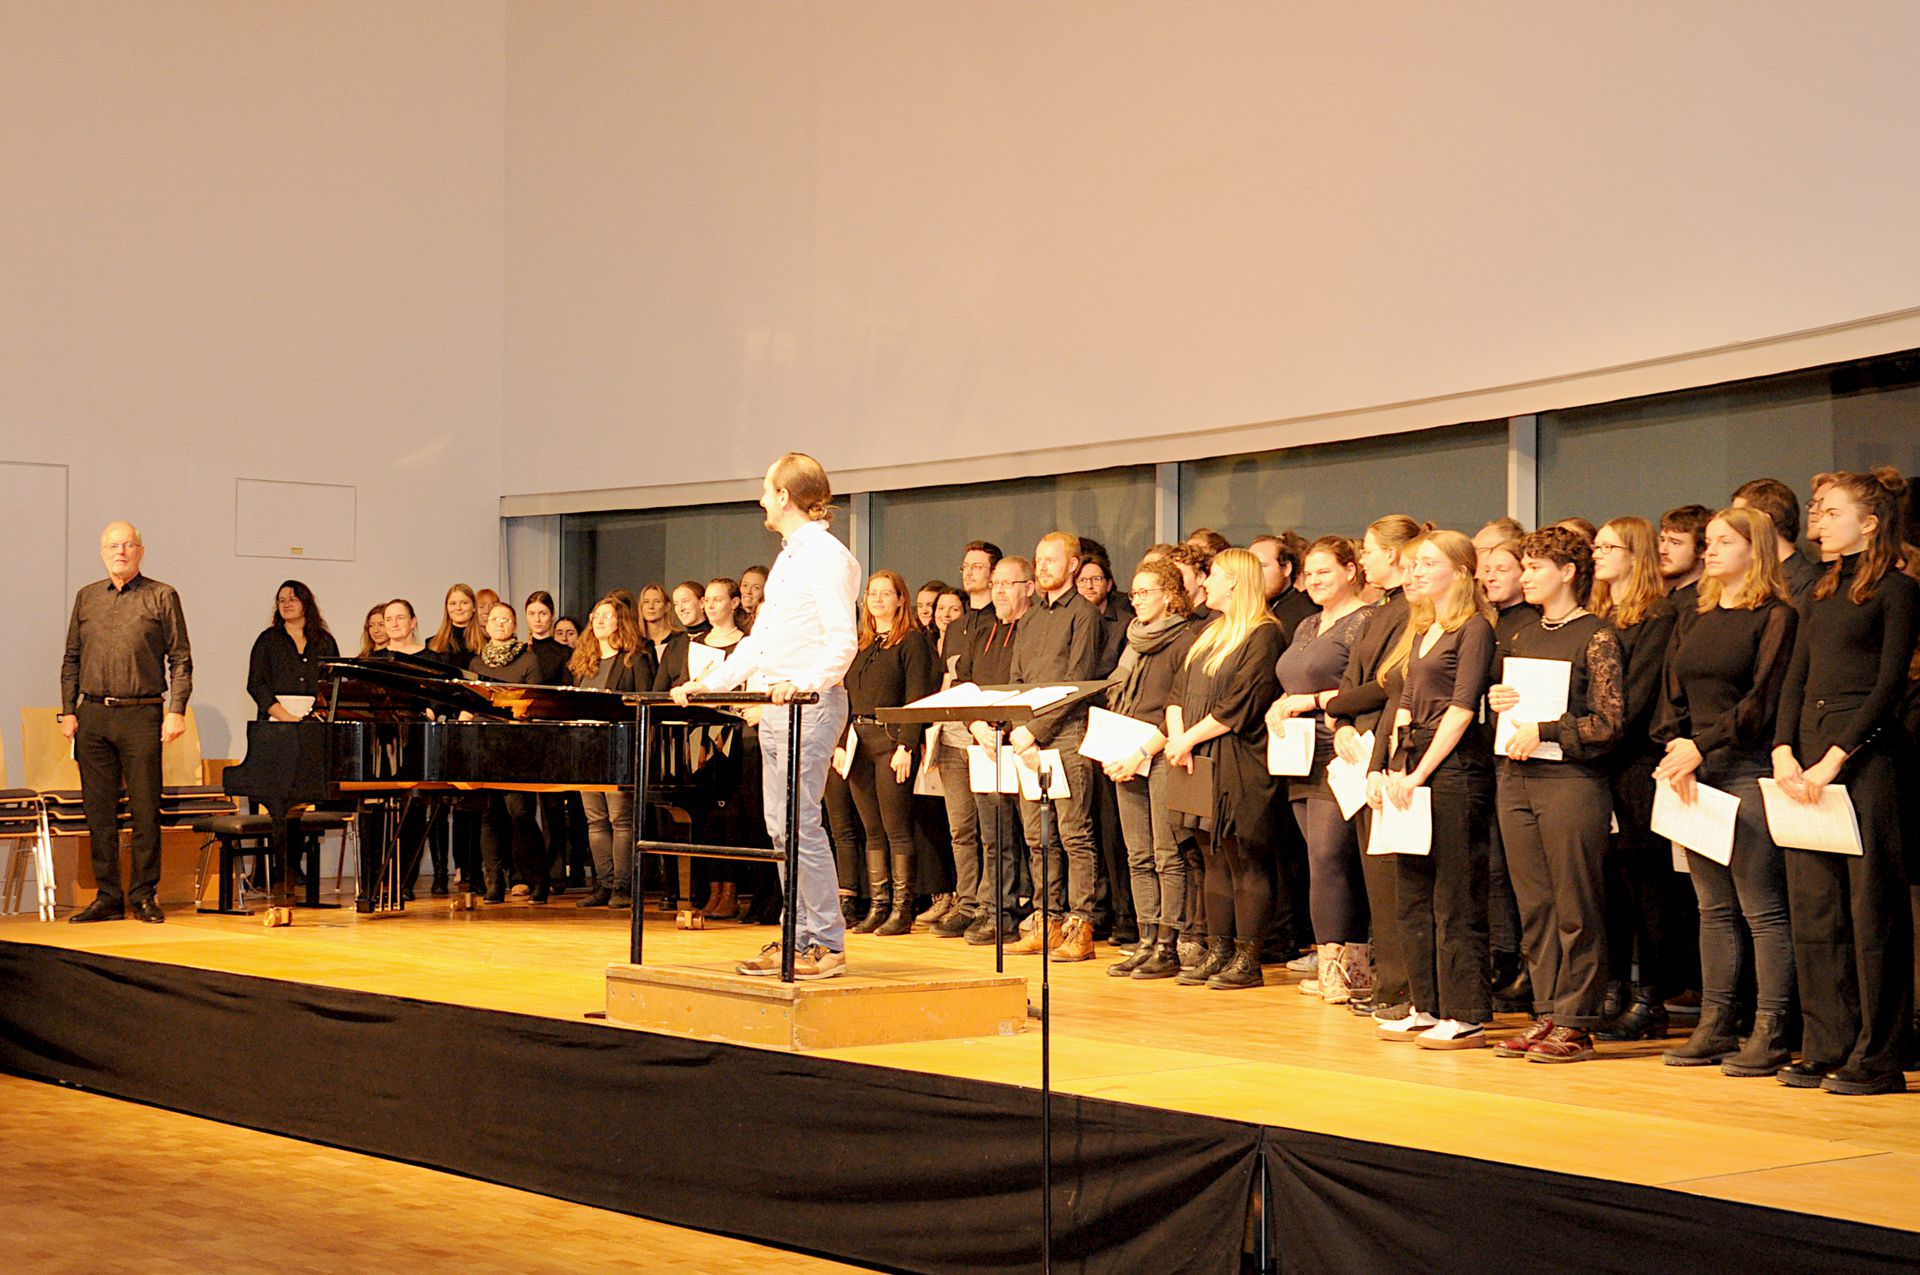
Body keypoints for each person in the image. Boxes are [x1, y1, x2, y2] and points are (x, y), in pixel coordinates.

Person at [674, 453, 862, 980]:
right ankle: (796, 938)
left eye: (766, 490)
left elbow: (842, 641)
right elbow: (762, 646)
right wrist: (707, 684)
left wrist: (801, 685)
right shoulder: (790, 559)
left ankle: (824, 942)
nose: (761, 500)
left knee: (799, 824)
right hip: (776, 707)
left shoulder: (825, 556)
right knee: (780, 827)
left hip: (809, 706)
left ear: (785, 496)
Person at [1771, 468, 1917, 1094]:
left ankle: (1880, 1053)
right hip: (1805, 761)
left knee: (1870, 909)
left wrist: (1836, 755)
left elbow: (1890, 687)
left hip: (1866, 760)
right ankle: (1825, 1039)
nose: (1818, 520)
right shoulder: (1819, 594)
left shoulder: (1898, 591)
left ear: (1871, 522)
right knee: (1815, 909)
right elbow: (1794, 679)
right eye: (1816, 510)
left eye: (1831, 511)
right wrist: (1782, 749)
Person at [1652, 507, 1800, 1074]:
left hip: (1745, 767)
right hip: (1695, 771)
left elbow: (1761, 702)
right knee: (1711, 907)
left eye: (1721, 542)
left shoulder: (1776, 615)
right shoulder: (1696, 613)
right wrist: (1676, 745)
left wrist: (1701, 746)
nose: (1708, 551)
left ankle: (1771, 1028)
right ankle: (1715, 1025)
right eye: (1707, 542)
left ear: (1752, 550)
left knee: (1760, 907)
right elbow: (1673, 691)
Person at [1485, 527, 1625, 1062]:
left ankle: (1577, 1019)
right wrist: (1501, 698)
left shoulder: (1596, 634)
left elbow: (1608, 722)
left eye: (1536, 567)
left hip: (1570, 782)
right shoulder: (1523, 634)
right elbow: (1512, 701)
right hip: (1517, 776)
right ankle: (1546, 1013)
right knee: (1536, 905)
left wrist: (1544, 729)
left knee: (1575, 902)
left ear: (1567, 573)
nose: (1525, 576)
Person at [1367, 531, 1499, 1048]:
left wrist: (1421, 772)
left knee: (1455, 897)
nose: (1414, 572)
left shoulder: (1473, 629)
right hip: (1413, 765)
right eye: (1413, 564)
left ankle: (1465, 1012)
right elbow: (1405, 704)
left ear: (1461, 572)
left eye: (1427, 564)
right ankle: (1426, 1006)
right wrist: (1390, 767)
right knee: (1413, 893)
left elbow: (1463, 708)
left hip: (1454, 771)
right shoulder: (1421, 629)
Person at [1165, 548, 1285, 989]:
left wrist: (1187, 739)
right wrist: (1180, 739)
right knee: (1211, 857)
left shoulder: (1264, 634)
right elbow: (1177, 691)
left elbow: (1241, 703)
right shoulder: (1209, 632)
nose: (1205, 582)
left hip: (1236, 759)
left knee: (1242, 857)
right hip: (1194, 756)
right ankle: (1220, 948)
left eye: (1212, 575)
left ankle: (1249, 956)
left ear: (1234, 582)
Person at [1591, 516, 1691, 1039]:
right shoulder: (1599, 616)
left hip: (1635, 763)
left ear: (1637, 555)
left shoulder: (1659, 615)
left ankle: (1651, 995)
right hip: (1596, 762)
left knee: (1645, 883)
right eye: (1596, 546)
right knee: (1607, 882)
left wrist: (1585, 736)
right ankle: (1613, 986)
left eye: (1610, 546)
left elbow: (1634, 699)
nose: (1598, 554)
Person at [61, 521, 192, 924]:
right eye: (112, 546)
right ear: (102, 552)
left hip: (142, 713)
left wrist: (177, 710)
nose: (120, 551)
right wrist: (68, 710)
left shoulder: (162, 595)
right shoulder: (86, 597)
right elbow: (71, 658)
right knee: (98, 812)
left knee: (145, 809)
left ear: (141, 550)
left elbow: (181, 659)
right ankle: (107, 896)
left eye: (128, 545)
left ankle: (144, 895)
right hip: (93, 715)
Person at [1269, 536, 1375, 1004]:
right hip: (1299, 753)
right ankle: (1331, 957)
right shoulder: (1308, 623)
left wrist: (1308, 702)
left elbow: (1363, 688)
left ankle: (1349, 963)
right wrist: (1280, 706)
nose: (1314, 581)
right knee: (1317, 859)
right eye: (1309, 574)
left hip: (1341, 748)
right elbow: (1293, 679)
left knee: (1333, 857)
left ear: (1352, 570)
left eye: (1324, 572)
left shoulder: (1365, 621)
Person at [1326, 515, 1423, 1020]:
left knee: (1392, 879)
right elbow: (1351, 675)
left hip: (1385, 744)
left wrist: (1340, 706)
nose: (1362, 559)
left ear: (1396, 553)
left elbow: (1390, 682)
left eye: (1368, 550)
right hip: (1357, 743)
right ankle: (1389, 980)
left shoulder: (1413, 611)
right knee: (1374, 877)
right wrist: (1340, 721)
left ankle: (1402, 986)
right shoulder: (1378, 609)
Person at [1004, 532, 1105, 962]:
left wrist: (1036, 731)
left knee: (1074, 833)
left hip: (1064, 734)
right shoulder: (1029, 619)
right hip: (1027, 736)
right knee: (1036, 835)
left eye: (1051, 560)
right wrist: (1017, 729)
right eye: (1039, 559)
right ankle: (1047, 918)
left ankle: (1080, 924)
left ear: (1073, 565)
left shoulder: (1083, 615)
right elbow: (1015, 679)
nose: (1042, 566)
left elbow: (1078, 681)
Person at [1102, 558, 1200, 980]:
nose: (1137, 600)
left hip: (1160, 752)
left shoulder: (1186, 638)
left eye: (1146, 593)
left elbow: (1178, 705)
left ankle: (1169, 943)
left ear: (1169, 596)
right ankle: (1145, 939)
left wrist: (1143, 751)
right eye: (1135, 593)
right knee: (1137, 855)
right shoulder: (1133, 639)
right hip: (1127, 752)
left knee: (1166, 854)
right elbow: (1119, 696)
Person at [839, 570, 939, 935]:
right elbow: (845, 699)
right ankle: (878, 905)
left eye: (886, 593)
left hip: (892, 741)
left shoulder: (912, 642)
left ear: (901, 599)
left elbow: (917, 699)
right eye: (872, 593)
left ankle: (902, 908)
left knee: (897, 828)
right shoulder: (861, 644)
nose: (878, 599)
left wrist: (907, 745)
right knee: (871, 829)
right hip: (858, 741)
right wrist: (839, 743)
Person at [957, 555, 1034, 945]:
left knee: (1031, 836)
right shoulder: (982, 630)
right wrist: (974, 725)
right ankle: (996, 909)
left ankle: (1029, 910)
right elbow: (965, 685)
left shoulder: (1033, 630)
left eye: (1008, 584)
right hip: (985, 745)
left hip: (1022, 742)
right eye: (997, 584)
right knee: (993, 835)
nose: (1000, 591)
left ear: (1028, 588)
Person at [1477, 536, 1537, 1009]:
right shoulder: (1487, 622)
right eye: (1486, 569)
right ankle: (1500, 958)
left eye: (1501, 568)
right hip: (1483, 755)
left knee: (1510, 867)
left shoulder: (1531, 624)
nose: (1489, 576)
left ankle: (1520, 964)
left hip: (1519, 755)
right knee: (1492, 868)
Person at [573, 595, 651, 908]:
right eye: (596, 615)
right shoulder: (583, 663)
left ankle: (623, 887)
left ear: (621, 621)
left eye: (608, 615)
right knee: (595, 821)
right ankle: (602, 885)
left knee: (621, 820)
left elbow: (645, 703)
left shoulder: (635, 658)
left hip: (619, 749)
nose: (601, 620)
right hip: (586, 750)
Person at [469, 601, 549, 903]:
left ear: (515, 626)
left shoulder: (528, 660)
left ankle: (538, 880)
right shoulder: (477, 664)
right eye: (495, 620)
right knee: (490, 816)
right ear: (486, 626)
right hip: (486, 746)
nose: (500, 624)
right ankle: (495, 882)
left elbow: (534, 702)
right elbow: (472, 704)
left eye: (507, 620)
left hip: (518, 747)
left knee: (521, 815)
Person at [248, 581, 340, 721]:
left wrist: (315, 715)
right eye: (281, 601)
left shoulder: (325, 641)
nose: (286, 604)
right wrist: (286, 717)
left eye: (293, 599)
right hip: (275, 720)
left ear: (306, 603)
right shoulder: (267, 640)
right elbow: (256, 684)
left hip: (316, 720)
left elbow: (333, 683)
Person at [1732, 478, 1823, 608]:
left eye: (1741, 518)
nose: (1733, 527)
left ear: (1765, 521)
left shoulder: (1806, 579)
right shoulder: (1753, 576)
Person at [1251, 532, 1318, 642]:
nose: (1253, 573)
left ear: (1286, 568)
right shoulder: (1245, 609)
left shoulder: (1306, 614)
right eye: (1249, 566)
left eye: (1262, 566)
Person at [1658, 505, 1711, 609]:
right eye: (1662, 540)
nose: (1662, 550)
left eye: (1675, 543)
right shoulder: (1668, 598)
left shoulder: (1703, 604)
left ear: (1702, 550)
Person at [427, 583, 483, 667]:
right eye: (453, 603)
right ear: (447, 608)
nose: (458, 608)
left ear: (474, 607)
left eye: (464, 603)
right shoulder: (431, 644)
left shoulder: (486, 644)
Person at [524, 591, 571, 684]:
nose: (537, 619)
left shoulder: (565, 653)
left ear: (552, 615)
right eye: (531, 614)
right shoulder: (520, 652)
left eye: (543, 613)